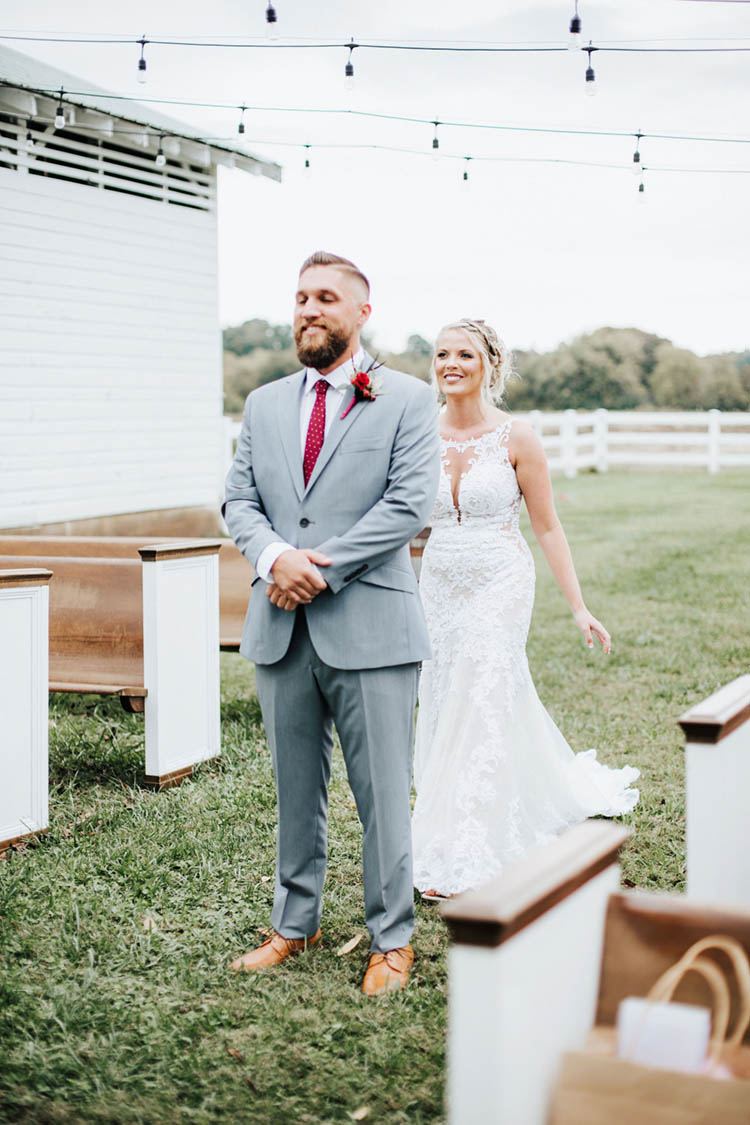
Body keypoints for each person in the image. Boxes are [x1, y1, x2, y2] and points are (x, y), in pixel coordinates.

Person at [223, 252, 441, 994]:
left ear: (361, 313)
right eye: (299, 299)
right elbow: (238, 502)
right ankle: (295, 922)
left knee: (381, 789)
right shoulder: (263, 403)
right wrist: (275, 556)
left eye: (325, 298)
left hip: (372, 625)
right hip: (280, 628)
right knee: (295, 786)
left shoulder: (409, 400)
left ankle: (392, 939)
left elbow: (409, 504)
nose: (308, 310)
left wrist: (315, 567)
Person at [412, 319, 639, 900]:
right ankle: (446, 818)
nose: (450, 363)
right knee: (446, 694)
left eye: (464, 353)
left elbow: (547, 525)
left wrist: (579, 607)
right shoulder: (417, 434)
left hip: (501, 578)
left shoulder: (518, 437)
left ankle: (474, 841)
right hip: (438, 582)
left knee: (483, 687)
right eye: (441, 354)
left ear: (490, 363)